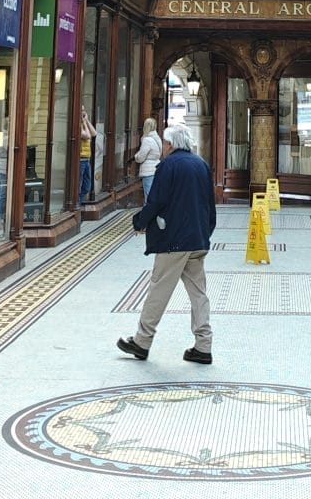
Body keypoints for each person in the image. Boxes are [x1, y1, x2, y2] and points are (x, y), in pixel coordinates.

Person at [118, 125, 214, 365]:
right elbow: (209, 204)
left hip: (174, 240)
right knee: (198, 293)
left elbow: (156, 201)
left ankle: (142, 341)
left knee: (158, 291)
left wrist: (140, 221)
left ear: (171, 144)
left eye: (164, 143)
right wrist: (205, 232)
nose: (163, 148)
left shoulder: (169, 166)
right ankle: (203, 346)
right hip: (197, 239)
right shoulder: (201, 164)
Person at [134, 116, 164, 202]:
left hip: (148, 171)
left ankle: (149, 214)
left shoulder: (147, 140)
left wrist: (136, 157)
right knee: (155, 195)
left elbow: (141, 157)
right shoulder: (157, 138)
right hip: (156, 168)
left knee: (149, 196)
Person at [78, 107, 97, 203]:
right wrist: (84, 122)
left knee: (87, 186)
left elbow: (94, 133)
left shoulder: (84, 124)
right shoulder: (77, 125)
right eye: (82, 110)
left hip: (87, 159)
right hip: (80, 160)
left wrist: (87, 121)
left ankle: (78, 203)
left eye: (84, 110)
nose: (84, 112)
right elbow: (87, 136)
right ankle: (77, 205)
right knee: (79, 185)